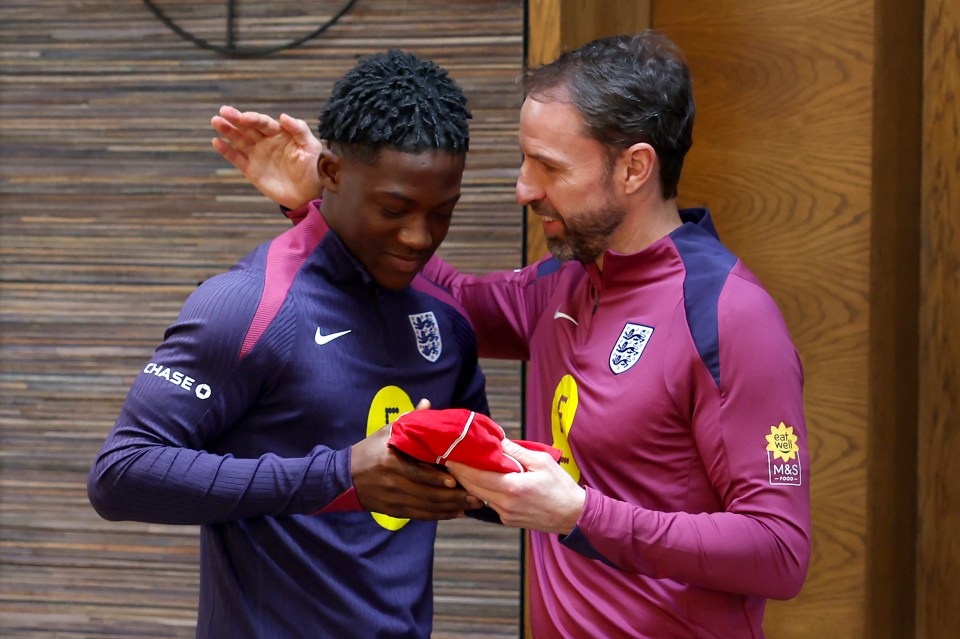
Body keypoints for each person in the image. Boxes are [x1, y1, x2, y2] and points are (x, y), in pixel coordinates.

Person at [212, 30, 811, 638]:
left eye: (548, 166)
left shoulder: (727, 314)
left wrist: (580, 513)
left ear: (634, 168)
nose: (524, 187)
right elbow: (442, 294)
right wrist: (330, 196)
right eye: (526, 160)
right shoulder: (566, 282)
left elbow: (779, 549)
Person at [88, 50, 489, 639]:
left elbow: (473, 483)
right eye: (394, 209)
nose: (418, 237)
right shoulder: (249, 305)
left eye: (443, 212)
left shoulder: (445, 318)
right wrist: (341, 474)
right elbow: (121, 475)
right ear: (330, 173)